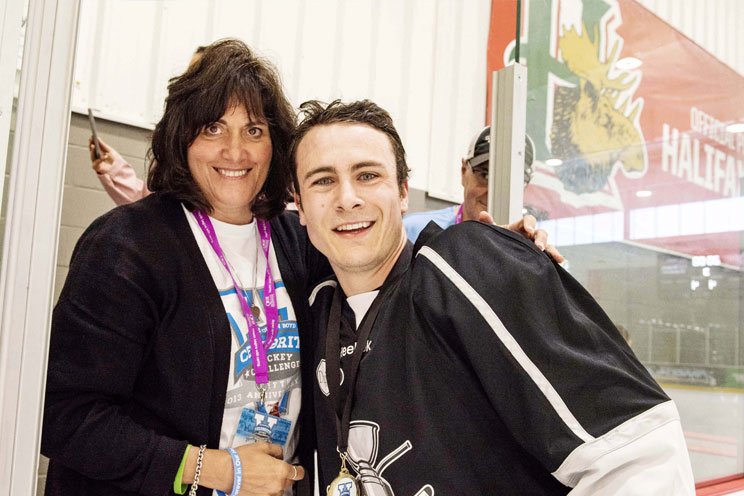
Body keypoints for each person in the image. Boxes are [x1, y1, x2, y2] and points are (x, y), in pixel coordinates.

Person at [290, 99, 695, 495]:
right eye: (323, 180)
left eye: (367, 176)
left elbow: (642, 453)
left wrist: (505, 256)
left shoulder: (466, 267)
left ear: (403, 193)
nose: (347, 198)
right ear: (300, 205)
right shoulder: (316, 307)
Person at [42, 39, 323, 496]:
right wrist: (218, 470)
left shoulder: (299, 243)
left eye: (254, 130)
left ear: (276, 144)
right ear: (182, 135)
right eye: (213, 128)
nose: (236, 151)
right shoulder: (126, 245)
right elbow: (63, 415)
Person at [403, 126, 564, 262]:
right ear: (464, 171)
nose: (493, 192)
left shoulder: (524, 254)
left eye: (511, 181)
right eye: (485, 175)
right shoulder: (412, 232)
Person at [89, 47, 206, 205]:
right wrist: (114, 170)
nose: (188, 81)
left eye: (198, 73)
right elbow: (152, 204)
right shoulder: (175, 136)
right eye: (190, 73)